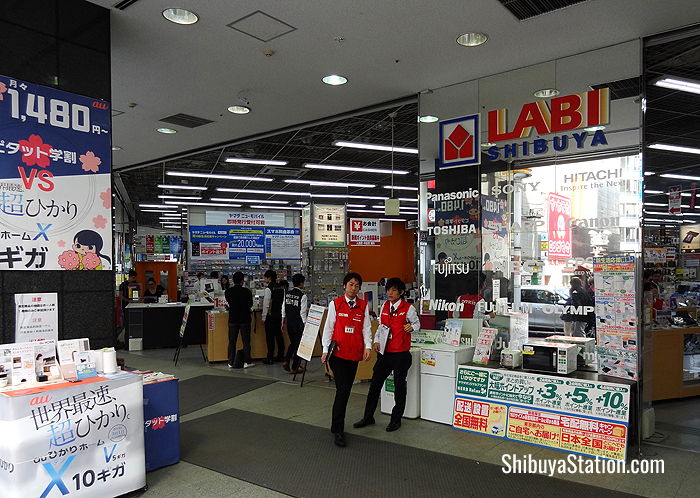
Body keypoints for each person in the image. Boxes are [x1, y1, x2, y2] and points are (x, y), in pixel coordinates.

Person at [354, 277, 420, 433]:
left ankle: (396, 419)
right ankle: (368, 416)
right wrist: (376, 340)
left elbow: (418, 324)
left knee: (399, 386)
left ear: (401, 292)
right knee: (375, 384)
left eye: (394, 290)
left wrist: (411, 327)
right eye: (389, 289)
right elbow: (380, 328)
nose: (390, 293)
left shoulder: (408, 308)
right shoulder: (384, 306)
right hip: (384, 353)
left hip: (401, 354)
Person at [321, 272, 372, 447]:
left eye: (357, 285)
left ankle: (336, 427)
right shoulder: (335, 304)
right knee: (342, 391)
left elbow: (366, 328)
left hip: (354, 355)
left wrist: (368, 346)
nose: (354, 288)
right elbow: (329, 329)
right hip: (338, 355)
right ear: (344, 286)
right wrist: (325, 350)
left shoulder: (363, 305)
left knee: (346, 390)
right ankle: (338, 430)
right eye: (351, 284)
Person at [225, 272, 255, 368]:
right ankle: (247, 361)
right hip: (245, 319)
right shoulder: (247, 291)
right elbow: (250, 304)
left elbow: (229, 303)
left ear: (233, 280)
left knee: (232, 341)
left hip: (233, 319)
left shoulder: (228, 292)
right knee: (246, 341)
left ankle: (230, 361)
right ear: (242, 280)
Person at [282, 274, 307, 374]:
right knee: (298, 346)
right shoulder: (302, 296)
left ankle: (286, 360)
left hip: (289, 323)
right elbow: (302, 313)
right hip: (298, 324)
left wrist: (282, 322)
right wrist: (305, 325)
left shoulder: (287, 294)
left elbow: (283, 308)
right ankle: (294, 367)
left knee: (293, 343)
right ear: (301, 283)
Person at [262, 270, 285, 364]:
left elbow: (266, 304)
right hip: (279, 315)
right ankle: (280, 355)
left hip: (270, 316)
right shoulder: (281, 288)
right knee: (279, 336)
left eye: (265, 277)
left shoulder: (269, 289)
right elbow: (283, 303)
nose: (264, 279)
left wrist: (263, 317)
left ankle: (270, 357)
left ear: (269, 278)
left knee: (270, 337)